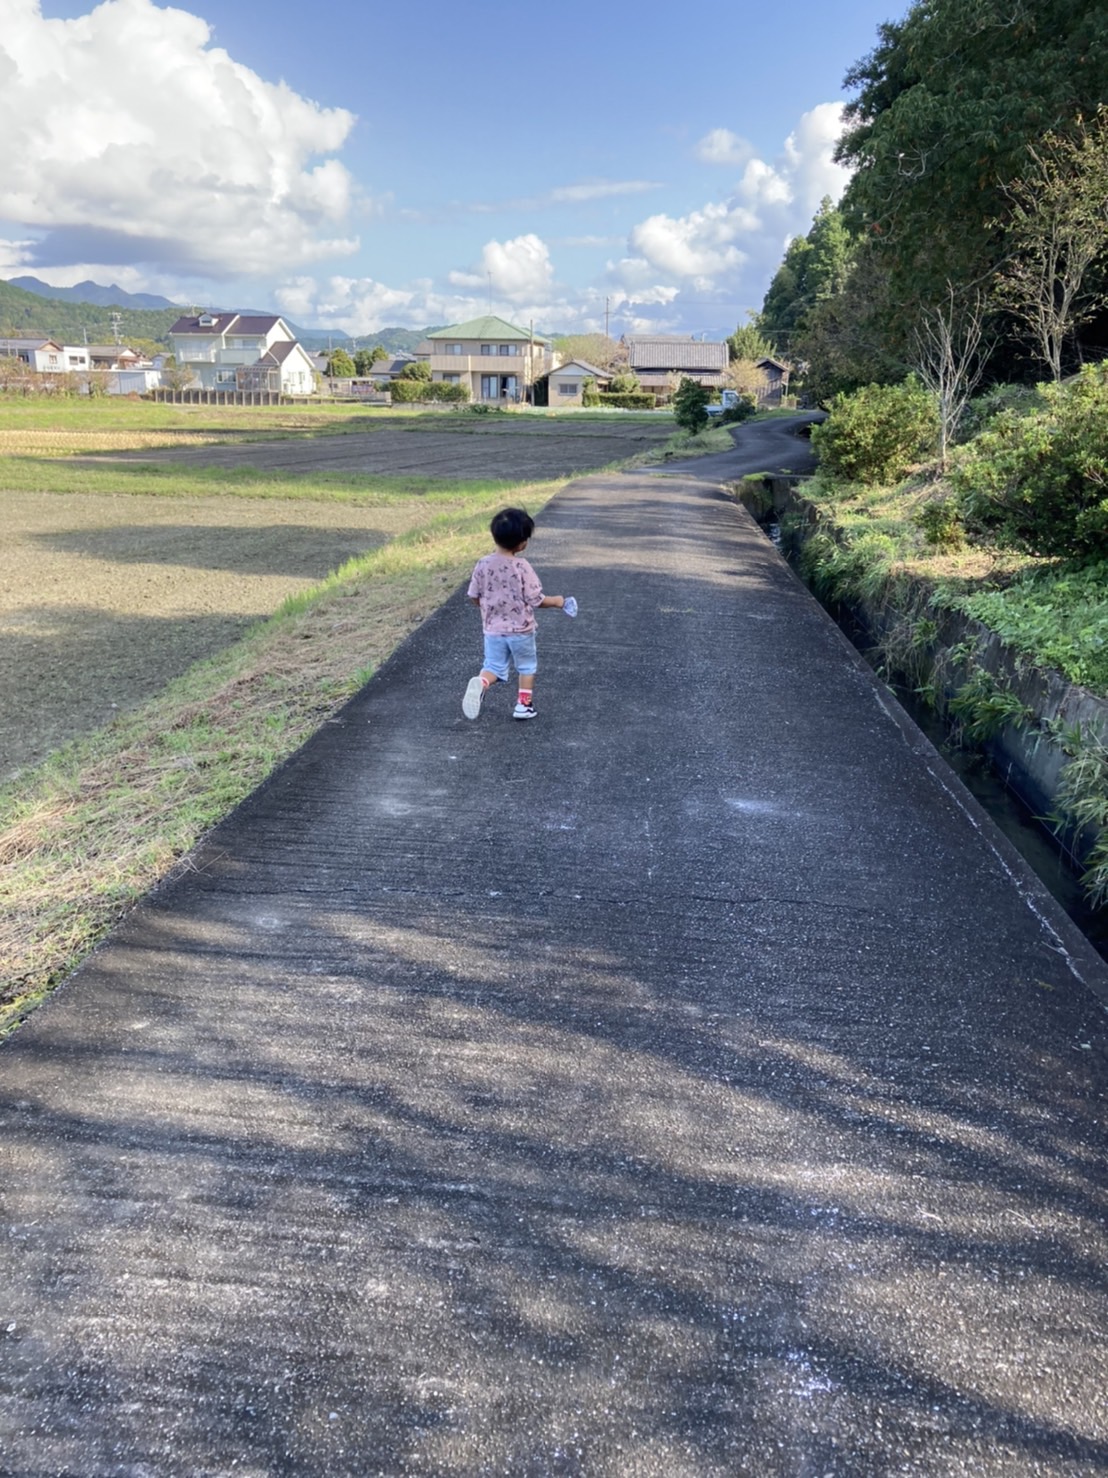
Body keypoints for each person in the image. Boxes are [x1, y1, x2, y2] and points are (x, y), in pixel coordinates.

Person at [462, 506, 577, 721]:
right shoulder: (522, 567)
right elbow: (536, 600)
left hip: (492, 630)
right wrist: (558, 602)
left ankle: (482, 683)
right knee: (526, 666)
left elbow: (473, 595)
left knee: (493, 666)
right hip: (521, 630)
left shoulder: (483, 564)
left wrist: (485, 606)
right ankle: (523, 706)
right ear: (522, 543)